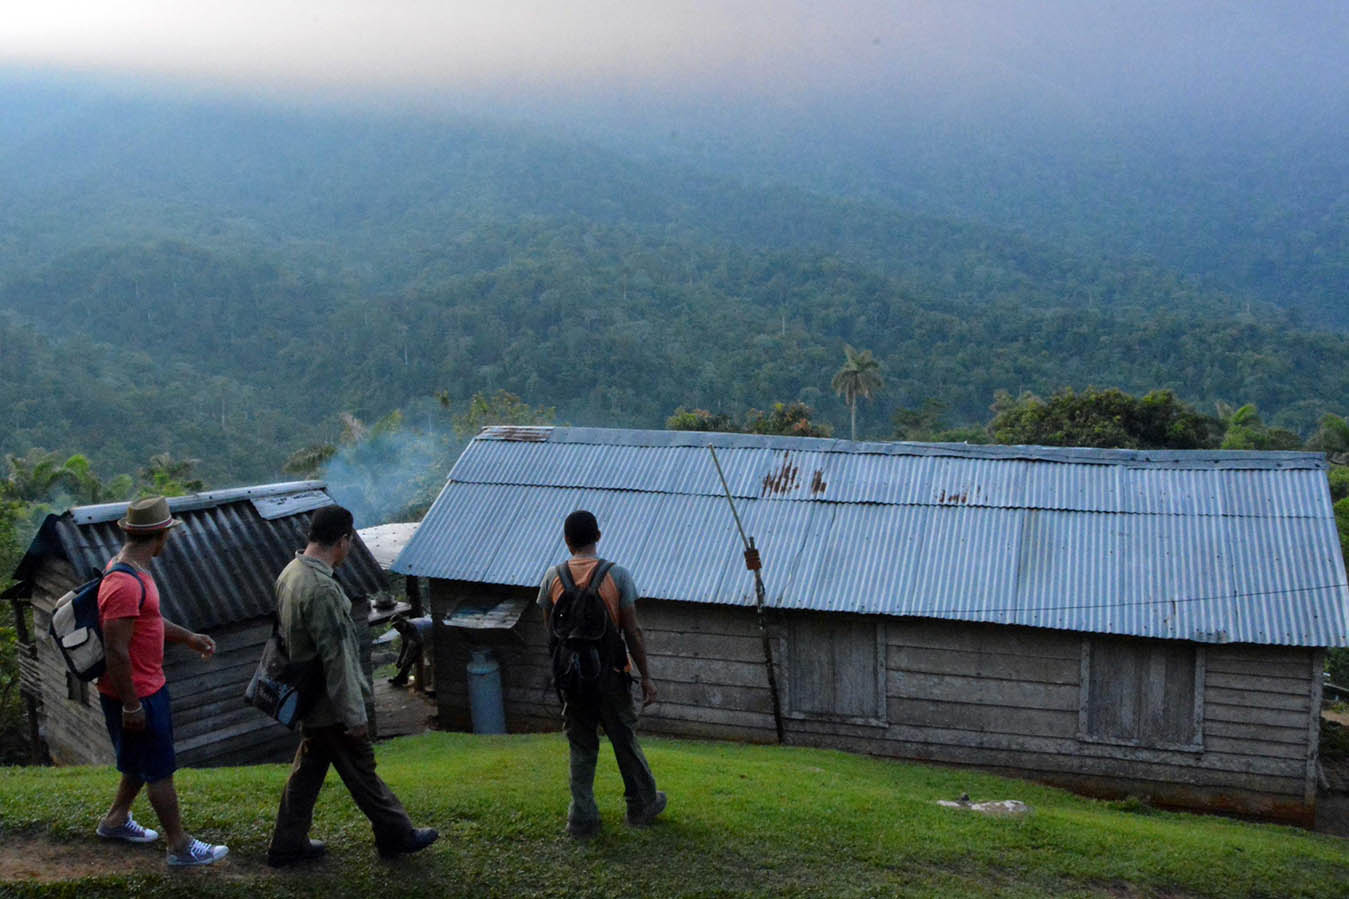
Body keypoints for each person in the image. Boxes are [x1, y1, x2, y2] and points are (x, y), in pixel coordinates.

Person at [266, 505, 438, 866]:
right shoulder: (322, 589)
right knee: (362, 769)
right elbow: (338, 658)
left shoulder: (290, 573)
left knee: (307, 774)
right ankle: (397, 836)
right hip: (330, 702)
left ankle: (287, 843)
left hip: (307, 696)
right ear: (343, 540)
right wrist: (354, 714)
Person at [94, 495, 229, 867]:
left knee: (139, 762)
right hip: (139, 692)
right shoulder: (123, 583)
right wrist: (132, 704)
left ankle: (116, 820)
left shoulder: (135, 573)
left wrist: (187, 637)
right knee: (160, 770)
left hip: (143, 688)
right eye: (167, 532)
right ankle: (179, 846)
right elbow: (116, 650)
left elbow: (148, 622)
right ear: (159, 535)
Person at [537, 509, 666, 837]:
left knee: (581, 746)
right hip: (611, 675)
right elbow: (632, 631)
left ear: (567, 542)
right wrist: (646, 677)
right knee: (624, 739)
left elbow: (552, 635)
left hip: (573, 679)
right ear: (598, 536)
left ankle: (582, 817)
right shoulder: (618, 575)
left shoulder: (553, 577)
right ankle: (642, 804)